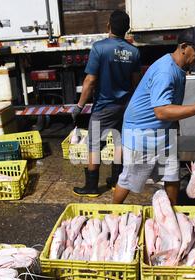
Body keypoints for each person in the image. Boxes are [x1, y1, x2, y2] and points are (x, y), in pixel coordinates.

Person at [112, 27, 195, 205]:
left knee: (172, 174)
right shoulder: (165, 72)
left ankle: (172, 213)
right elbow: (161, 111)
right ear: (184, 46)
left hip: (162, 132)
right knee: (130, 179)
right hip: (142, 133)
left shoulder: (179, 67)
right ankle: (112, 214)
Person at [71, 10, 141, 197]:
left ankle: (92, 187)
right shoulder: (134, 52)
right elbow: (136, 82)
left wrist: (79, 106)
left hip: (103, 106)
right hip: (124, 106)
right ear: (127, 29)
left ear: (108, 25)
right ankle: (115, 181)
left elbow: (90, 81)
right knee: (118, 141)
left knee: (94, 144)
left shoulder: (99, 48)